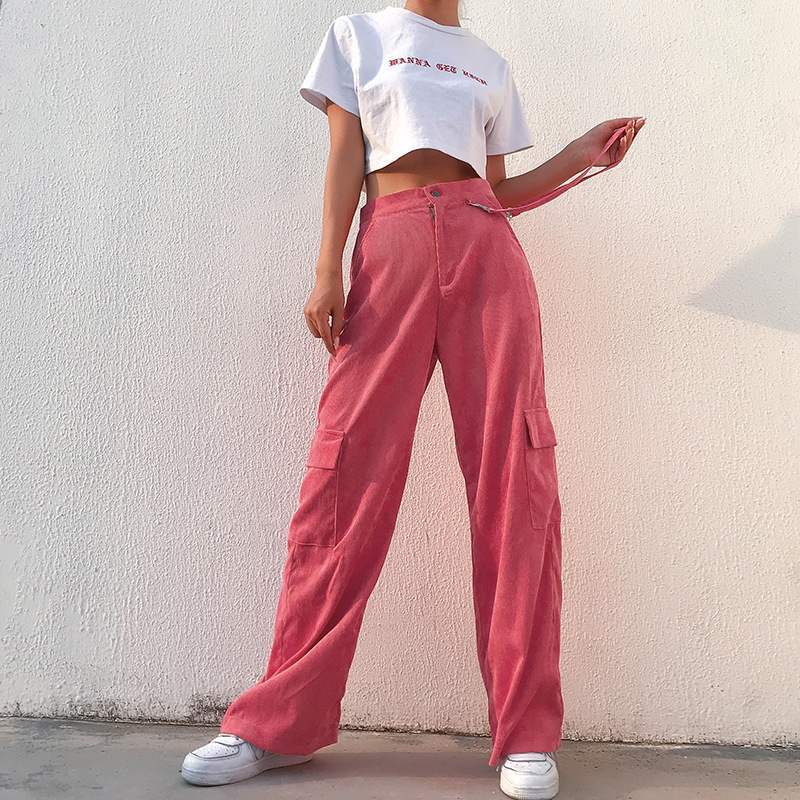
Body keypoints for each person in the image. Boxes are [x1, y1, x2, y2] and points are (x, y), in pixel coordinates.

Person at [179, 2, 644, 798]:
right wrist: (327, 268)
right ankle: (277, 722)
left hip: (485, 252)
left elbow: (499, 191)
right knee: (342, 477)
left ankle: (526, 733)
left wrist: (578, 155)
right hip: (388, 245)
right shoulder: (358, 35)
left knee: (516, 481)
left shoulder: (487, 62)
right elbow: (345, 155)